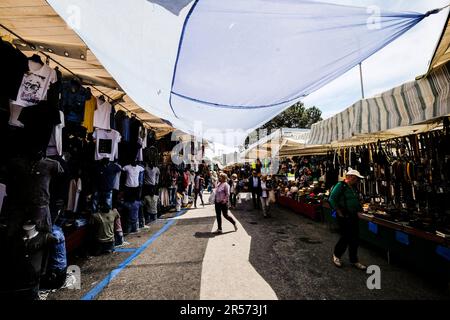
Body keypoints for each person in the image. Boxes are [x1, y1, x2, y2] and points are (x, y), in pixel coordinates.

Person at [328, 169, 367, 270]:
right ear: (350, 177)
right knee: (345, 237)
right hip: (344, 215)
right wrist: (339, 212)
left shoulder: (353, 187)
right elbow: (332, 198)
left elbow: (355, 200)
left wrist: (359, 209)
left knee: (355, 238)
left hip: (353, 215)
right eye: (356, 178)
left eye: (358, 179)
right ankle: (336, 255)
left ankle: (354, 260)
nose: (357, 180)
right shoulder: (341, 185)